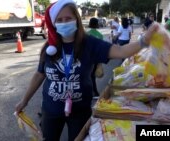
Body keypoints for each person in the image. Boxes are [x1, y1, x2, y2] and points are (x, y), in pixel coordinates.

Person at [15, 0, 160, 140]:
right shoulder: (50, 48)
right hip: (51, 110)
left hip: (80, 111)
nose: (64, 23)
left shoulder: (89, 44)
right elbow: (39, 75)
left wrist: (144, 41)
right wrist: (24, 100)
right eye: (59, 20)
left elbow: (121, 51)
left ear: (76, 20)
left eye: (68, 18)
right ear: (54, 24)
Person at [87, 17, 104, 97]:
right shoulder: (100, 35)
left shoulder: (86, 34)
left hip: (86, 58)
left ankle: (93, 92)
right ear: (97, 24)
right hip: (95, 59)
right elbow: (100, 49)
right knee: (92, 76)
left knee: (88, 76)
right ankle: (94, 92)